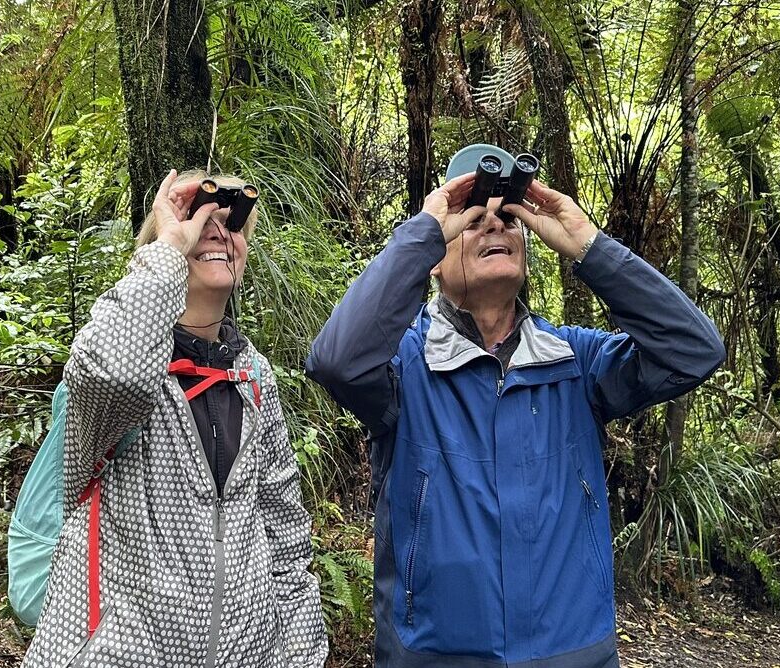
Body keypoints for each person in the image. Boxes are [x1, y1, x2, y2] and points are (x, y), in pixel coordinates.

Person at [306, 144, 725, 667]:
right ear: (436, 259)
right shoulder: (404, 369)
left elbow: (695, 351)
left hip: (574, 653)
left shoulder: (575, 362)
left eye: (509, 217)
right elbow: (335, 360)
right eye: (473, 219)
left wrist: (588, 246)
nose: (494, 226)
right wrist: (423, 235)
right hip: (434, 657)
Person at [22, 169, 328, 668]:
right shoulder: (123, 367)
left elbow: (285, 536)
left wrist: (299, 654)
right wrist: (168, 242)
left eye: (232, 224)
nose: (216, 231)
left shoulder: (253, 375)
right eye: (199, 218)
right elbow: (117, 375)